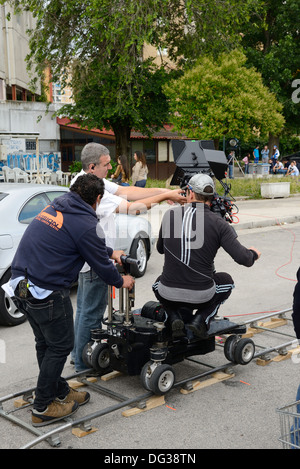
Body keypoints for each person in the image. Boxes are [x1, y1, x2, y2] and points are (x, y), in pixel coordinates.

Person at [3, 174, 134, 427]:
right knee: (61, 346)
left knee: (45, 342)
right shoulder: (86, 221)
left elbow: (83, 241)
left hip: (21, 285)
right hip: (46, 291)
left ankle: (58, 390)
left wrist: (111, 251)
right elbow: (101, 265)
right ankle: (42, 406)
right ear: (97, 199)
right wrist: (121, 281)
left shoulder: (58, 205)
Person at [70, 143, 186, 372]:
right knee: (91, 314)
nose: (111, 167)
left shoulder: (84, 179)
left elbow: (127, 191)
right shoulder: (93, 192)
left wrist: (165, 193)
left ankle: (78, 356)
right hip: (95, 260)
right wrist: (165, 197)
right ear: (92, 167)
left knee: (84, 310)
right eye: (106, 164)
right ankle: (84, 365)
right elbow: (132, 207)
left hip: (88, 259)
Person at [152, 173, 261, 338]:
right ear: (212, 197)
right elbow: (244, 259)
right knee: (227, 282)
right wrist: (253, 253)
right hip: (201, 296)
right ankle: (201, 319)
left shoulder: (170, 215)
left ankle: (173, 315)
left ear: (190, 193)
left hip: (168, 293)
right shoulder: (219, 223)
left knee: (157, 284)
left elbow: (160, 249)